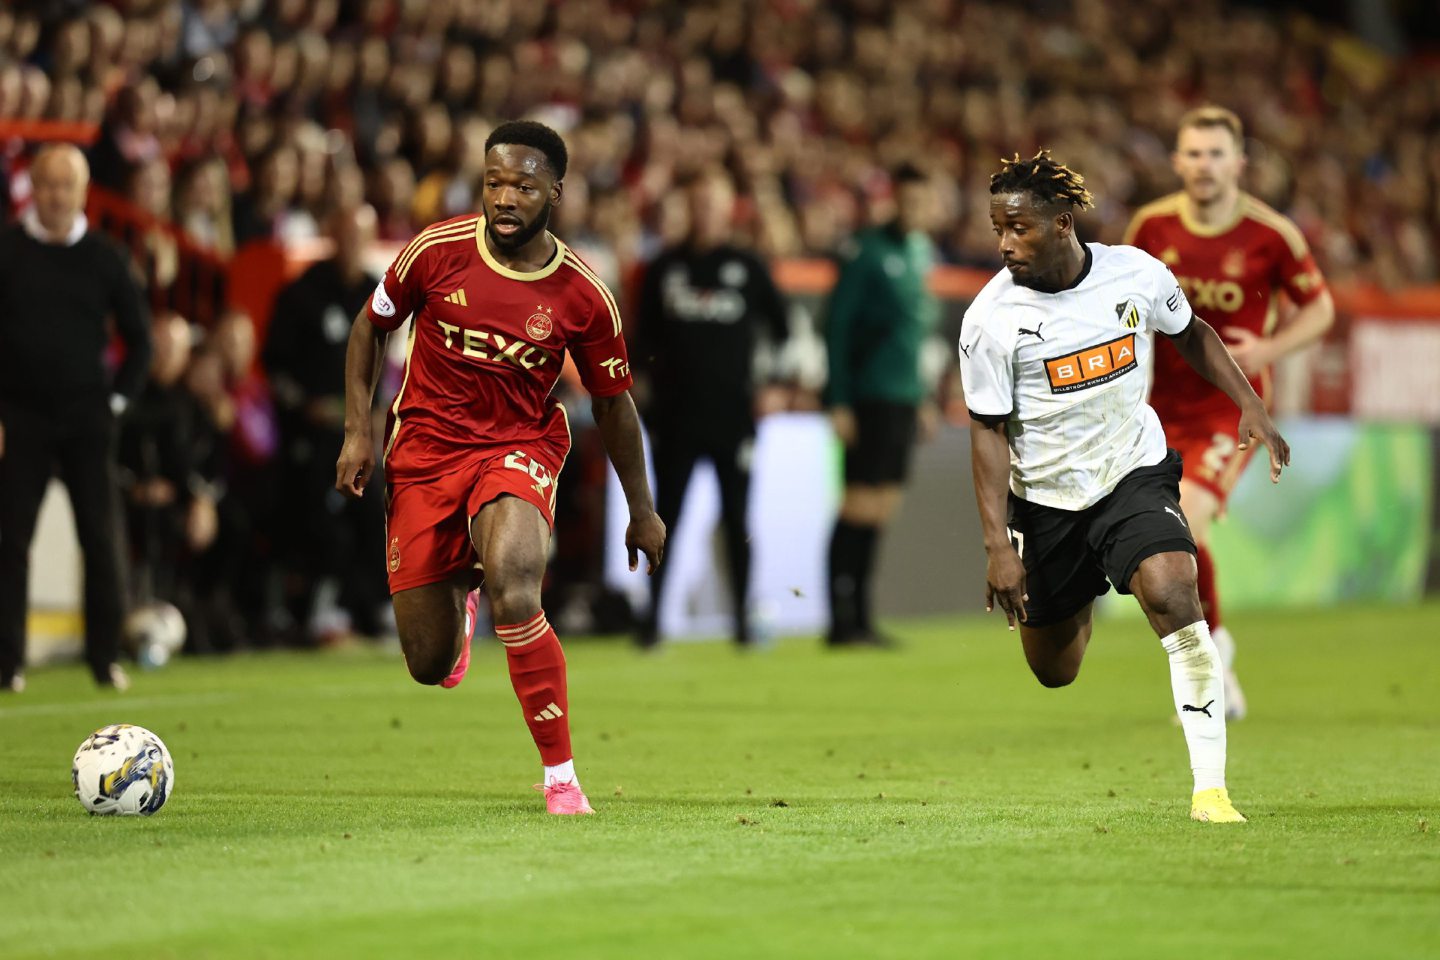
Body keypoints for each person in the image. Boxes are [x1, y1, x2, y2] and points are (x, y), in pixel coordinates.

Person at [335, 120, 665, 815]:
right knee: (427, 663)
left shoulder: (582, 294)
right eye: (494, 182)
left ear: (556, 192)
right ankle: (461, 596)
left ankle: (561, 777)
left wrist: (642, 507)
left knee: (519, 582)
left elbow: (613, 405)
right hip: (424, 452)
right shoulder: (436, 251)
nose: (505, 198)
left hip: (517, 445)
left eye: (522, 184)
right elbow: (370, 326)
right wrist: (357, 434)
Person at [959, 151, 1291, 823]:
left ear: (1061, 222)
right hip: (1047, 502)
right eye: (998, 228)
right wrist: (998, 545)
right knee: (1056, 670)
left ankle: (1211, 789)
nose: (1003, 243)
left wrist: (1249, 402)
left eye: (1018, 228)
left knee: (1172, 585)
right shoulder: (990, 320)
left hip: (1131, 474)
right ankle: (1082, 589)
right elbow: (988, 433)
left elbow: (1190, 333)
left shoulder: (1135, 274)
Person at [1124, 106, 1334, 720]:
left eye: (1216, 154)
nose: (1204, 165)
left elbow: (1319, 310)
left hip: (1228, 409)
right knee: (1158, 544)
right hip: (1154, 407)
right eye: (1192, 153)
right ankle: (1215, 655)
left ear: (1239, 162)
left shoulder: (1271, 235)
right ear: (1177, 161)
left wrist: (1268, 348)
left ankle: (1208, 666)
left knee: (1185, 521)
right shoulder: (1151, 225)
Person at [0, 143, 153, 692]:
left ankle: (103, 658)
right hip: (21, 418)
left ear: (83, 192)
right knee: (10, 541)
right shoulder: (9, 252)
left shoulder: (105, 257)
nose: (57, 195)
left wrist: (116, 402)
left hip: (88, 418)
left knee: (102, 539)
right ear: (31, 188)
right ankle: (6, 664)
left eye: (67, 185)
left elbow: (141, 341)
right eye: (47, 184)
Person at [633, 167, 790, 648]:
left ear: (727, 208)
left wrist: (775, 384)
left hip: (733, 415)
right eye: (696, 203)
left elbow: (784, 329)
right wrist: (638, 384)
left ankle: (742, 622)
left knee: (738, 520)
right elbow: (640, 338)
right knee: (665, 520)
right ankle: (653, 621)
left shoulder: (748, 264)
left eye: (711, 203)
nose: (703, 212)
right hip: (675, 417)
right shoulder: (663, 267)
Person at [823, 163, 940, 648]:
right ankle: (840, 619)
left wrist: (923, 398)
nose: (915, 210)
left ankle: (862, 618)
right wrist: (838, 400)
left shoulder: (921, 252)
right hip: (868, 396)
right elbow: (838, 327)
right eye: (908, 201)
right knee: (858, 504)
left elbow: (917, 333)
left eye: (923, 202)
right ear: (893, 199)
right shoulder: (866, 252)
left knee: (882, 507)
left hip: (902, 398)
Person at [265, 204, 388, 642]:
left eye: (362, 236)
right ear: (333, 235)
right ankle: (318, 609)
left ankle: (370, 607)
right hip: (314, 437)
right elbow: (274, 369)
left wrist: (379, 412)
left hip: (362, 435)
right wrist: (306, 407)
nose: (354, 245)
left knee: (378, 517)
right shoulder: (302, 294)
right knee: (323, 521)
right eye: (347, 235)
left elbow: (389, 365)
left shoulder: (379, 292)